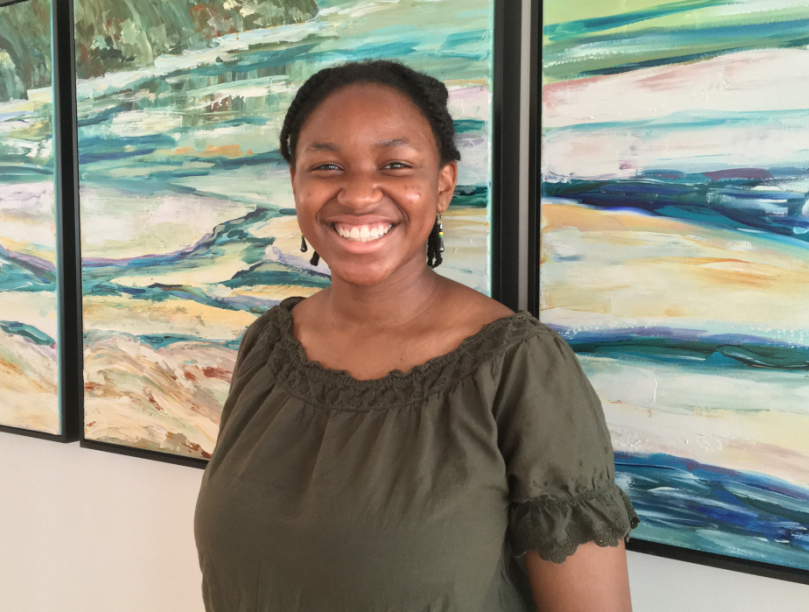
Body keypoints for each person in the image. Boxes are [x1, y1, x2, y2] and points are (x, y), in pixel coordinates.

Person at [194, 60, 639, 612]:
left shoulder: (519, 369)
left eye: (395, 163)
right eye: (327, 165)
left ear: (442, 186)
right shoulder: (266, 346)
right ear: (297, 184)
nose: (358, 194)